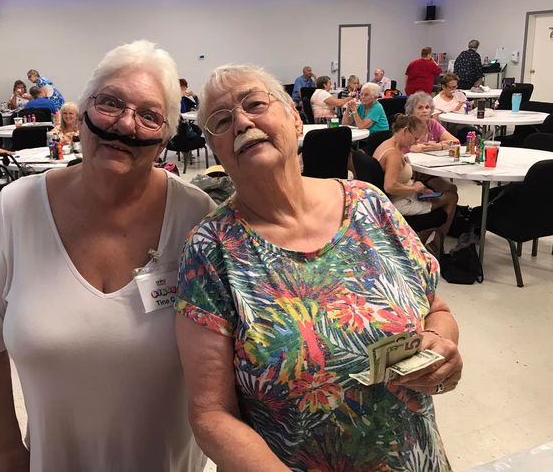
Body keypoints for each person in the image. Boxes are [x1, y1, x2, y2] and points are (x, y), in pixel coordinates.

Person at [175, 63, 462, 471]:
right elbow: (211, 415)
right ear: (216, 149)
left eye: (255, 103)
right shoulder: (211, 248)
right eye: (221, 120)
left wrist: (442, 345)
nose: (241, 121)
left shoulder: (370, 204)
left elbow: (438, 310)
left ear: (295, 118)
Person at [0, 40, 214, 472]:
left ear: (166, 138)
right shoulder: (16, 208)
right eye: (110, 103)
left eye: (149, 115)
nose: (125, 125)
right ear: (81, 114)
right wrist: (3, 447)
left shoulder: (196, 216)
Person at [374, 115, 457, 246]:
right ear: (405, 131)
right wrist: (414, 188)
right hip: (399, 204)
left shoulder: (385, 145)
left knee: (438, 192)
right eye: (415, 138)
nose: (416, 143)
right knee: (451, 197)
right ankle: (434, 245)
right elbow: (390, 186)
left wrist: (420, 189)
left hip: (395, 199)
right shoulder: (393, 155)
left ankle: (421, 243)